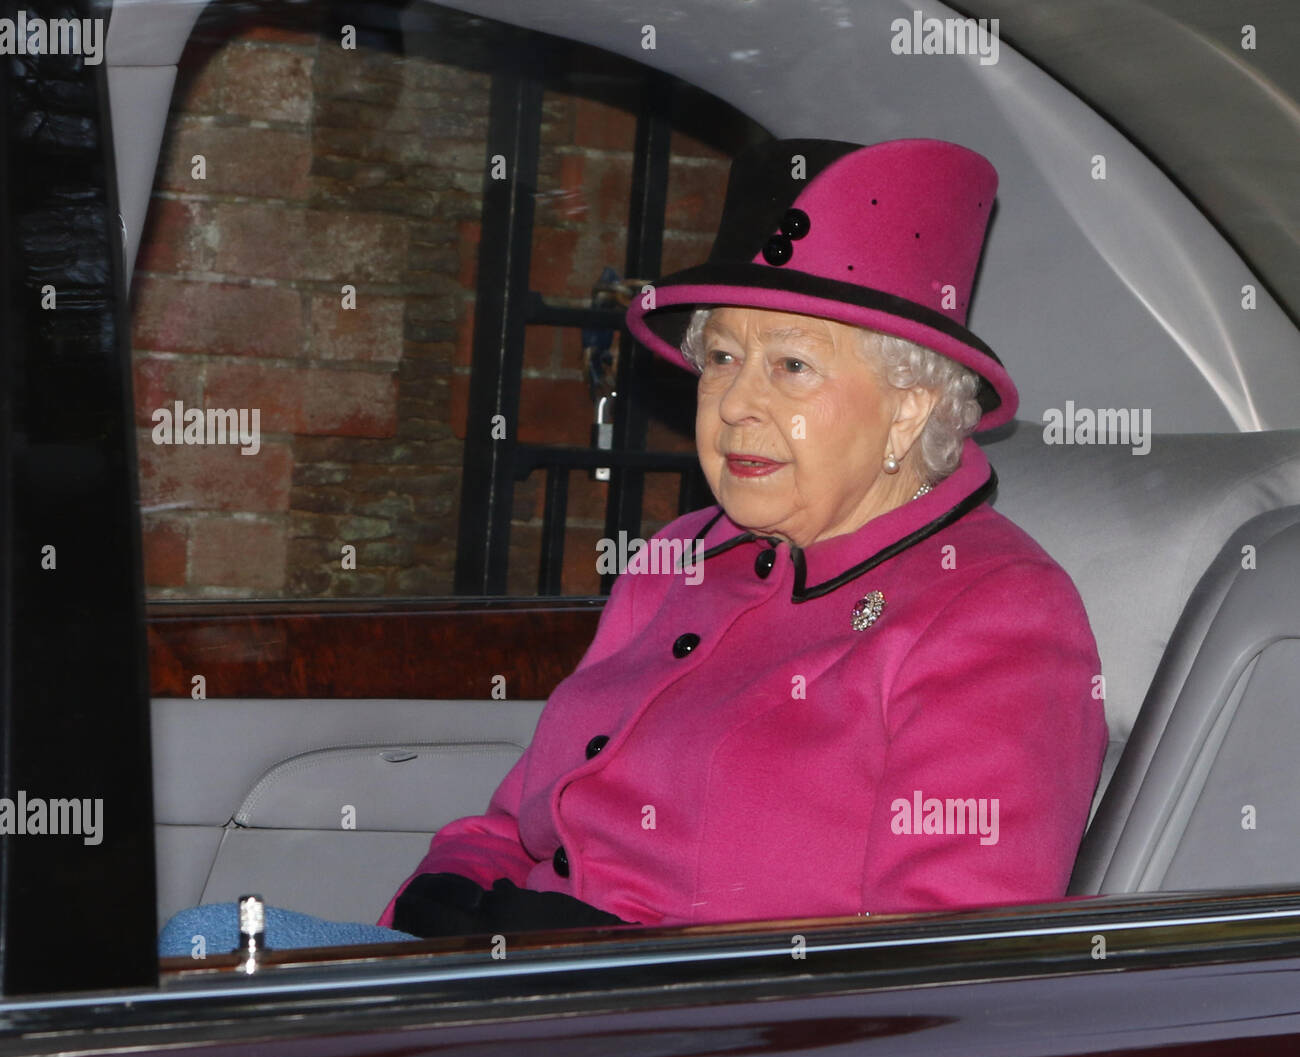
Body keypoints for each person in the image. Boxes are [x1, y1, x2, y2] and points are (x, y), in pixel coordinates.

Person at [159, 137, 1107, 956]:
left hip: (701, 1050)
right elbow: (512, 823)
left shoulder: (999, 615)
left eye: (789, 365)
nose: (736, 401)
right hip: (521, 990)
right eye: (723, 358)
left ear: (911, 408)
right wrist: (429, 931)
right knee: (194, 957)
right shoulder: (681, 557)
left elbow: (947, 981)